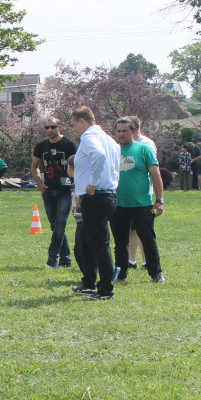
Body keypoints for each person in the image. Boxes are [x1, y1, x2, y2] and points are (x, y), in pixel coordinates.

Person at [70, 106, 121, 300]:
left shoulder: (89, 137)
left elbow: (99, 156)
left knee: (99, 244)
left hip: (97, 196)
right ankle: (89, 282)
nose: (74, 129)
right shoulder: (110, 139)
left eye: (74, 125)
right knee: (85, 240)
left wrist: (91, 183)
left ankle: (105, 289)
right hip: (106, 195)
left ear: (83, 121)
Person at [112, 117, 166, 284]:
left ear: (133, 131)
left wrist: (159, 199)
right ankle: (120, 274)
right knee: (120, 243)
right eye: (118, 131)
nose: (121, 134)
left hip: (141, 204)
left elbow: (155, 175)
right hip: (118, 204)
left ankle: (156, 273)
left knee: (148, 240)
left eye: (125, 131)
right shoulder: (113, 150)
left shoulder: (143, 149)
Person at [32, 116, 78, 268]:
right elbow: (34, 166)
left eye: (52, 127)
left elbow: (78, 166)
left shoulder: (69, 144)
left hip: (65, 190)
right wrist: (39, 183)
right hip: (49, 190)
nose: (50, 130)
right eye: (47, 128)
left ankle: (52, 259)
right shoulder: (41, 146)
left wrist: (76, 185)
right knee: (55, 226)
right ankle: (65, 259)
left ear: (60, 127)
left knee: (60, 224)